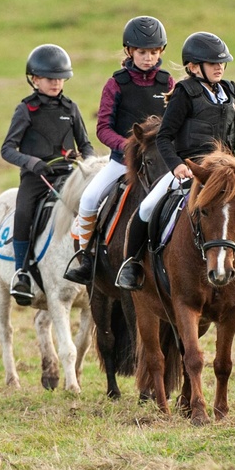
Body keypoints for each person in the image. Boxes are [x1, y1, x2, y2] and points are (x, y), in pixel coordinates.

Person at [115, 31, 235, 290]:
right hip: (191, 170)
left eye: (222, 63)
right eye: (213, 63)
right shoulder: (184, 93)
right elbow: (165, 137)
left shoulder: (231, 93)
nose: (219, 67)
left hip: (226, 174)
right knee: (146, 209)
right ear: (194, 67)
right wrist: (177, 165)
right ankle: (132, 265)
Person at [63, 16, 174, 285]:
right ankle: (86, 258)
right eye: (142, 52)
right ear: (129, 52)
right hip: (121, 162)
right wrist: (128, 146)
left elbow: (175, 124)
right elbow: (103, 127)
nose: (148, 58)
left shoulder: (168, 83)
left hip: (162, 164)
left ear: (161, 52)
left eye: (154, 52)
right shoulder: (116, 84)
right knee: (89, 199)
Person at [0, 44, 95, 306]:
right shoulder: (26, 110)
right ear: (34, 79)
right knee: (23, 212)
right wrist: (31, 162)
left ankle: (93, 261)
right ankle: (21, 272)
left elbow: (85, 144)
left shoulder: (71, 108)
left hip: (68, 177)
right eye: (49, 79)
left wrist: (87, 162)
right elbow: (7, 149)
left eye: (60, 78)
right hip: (36, 178)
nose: (56, 84)